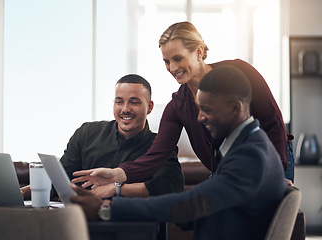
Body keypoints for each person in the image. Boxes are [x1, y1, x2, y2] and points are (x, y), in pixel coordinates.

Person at [70, 66, 289, 240]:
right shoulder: (250, 144)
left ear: (235, 108)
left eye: (207, 110)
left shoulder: (249, 157)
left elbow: (191, 204)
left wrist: (105, 209)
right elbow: (202, 202)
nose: (200, 118)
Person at [73, 21, 294, 189]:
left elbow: (272, 122)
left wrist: (278, 172)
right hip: (227, 167)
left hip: (271, 155)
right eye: (166, 61)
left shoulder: (240, 72)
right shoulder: (177, 106)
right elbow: (156, 156)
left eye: (177, 58)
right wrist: (117, 174)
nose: (171, 67)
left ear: (198, 52)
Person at [21, 74, 184, 199]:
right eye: (119, 101)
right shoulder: (87, 133)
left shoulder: (160, 145)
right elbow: (60, 180)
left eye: (134, 102)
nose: (125, 109)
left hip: (128, 224)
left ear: (149, 107)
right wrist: (20, 193)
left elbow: (171, 186)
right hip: (81, 221)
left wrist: (116, 188)